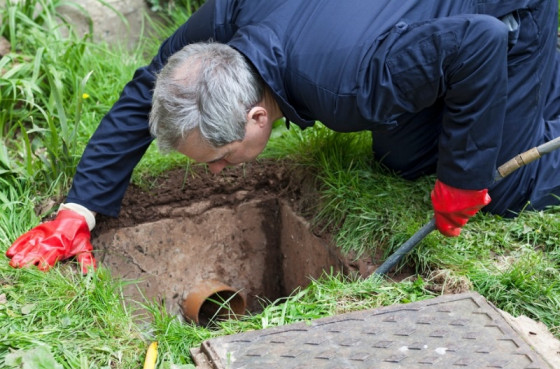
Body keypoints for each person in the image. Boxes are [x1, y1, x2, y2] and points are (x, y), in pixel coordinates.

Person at [6, 0, 560, 273]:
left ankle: (536, 91)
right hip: (418, 22)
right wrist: (81, 206)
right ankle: (532, 93)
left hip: (507, 13)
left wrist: (464, 181)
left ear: (256, 118)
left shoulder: (348, 88)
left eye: (220, 159)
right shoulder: (228, 19)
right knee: (405, 156)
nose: (217, 172)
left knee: (500, 188)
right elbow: (150, 88)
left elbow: (478, 40)